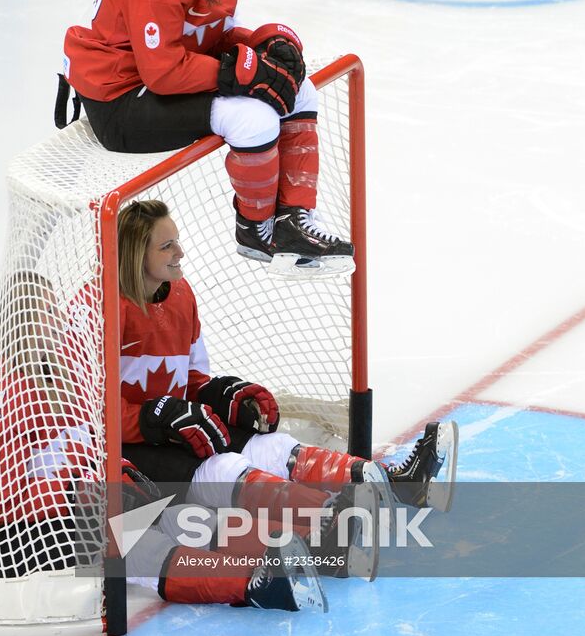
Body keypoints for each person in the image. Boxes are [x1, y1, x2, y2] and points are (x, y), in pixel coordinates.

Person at [100, 199, 459, 579]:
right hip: (128, 451)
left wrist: (226, 395)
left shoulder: (180, 294)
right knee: (222, 469)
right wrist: (153, 419)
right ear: (136, 254)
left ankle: (403, 484)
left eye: (177, 241)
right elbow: (89, 411)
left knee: (271, 446)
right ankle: (328, 529)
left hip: (176, 429)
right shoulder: (106, 310)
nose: (180, 252)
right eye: (166, 246)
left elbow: (192, 381)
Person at [0, 270, 328, 613]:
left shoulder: (54, 375)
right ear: (17, 322)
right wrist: (84, 492)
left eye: (55, 308)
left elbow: (77, 449)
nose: (58, 320)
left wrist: (114, 475)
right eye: (45, 311)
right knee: (139, 545)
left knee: (174, 518)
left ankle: (291, 543)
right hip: (10, 538)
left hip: (57, 512)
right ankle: (250, 583)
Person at [61, 0, 353, 277]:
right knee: (252, 118)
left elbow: (213, 37)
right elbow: (161, 71)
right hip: (121, 100)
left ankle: (294, 220)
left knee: (298, 87)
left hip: (154, 82)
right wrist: (241, 72)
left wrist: (259, 45)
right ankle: (257, 231)